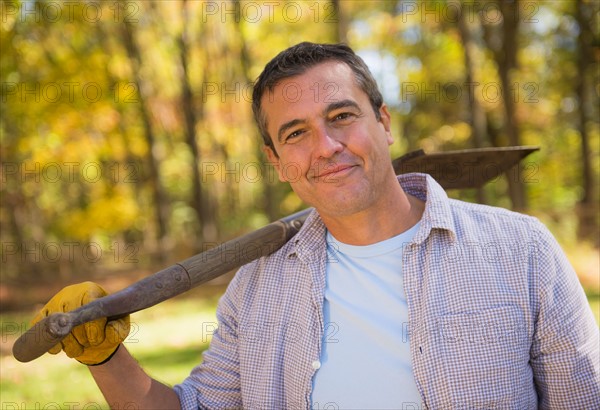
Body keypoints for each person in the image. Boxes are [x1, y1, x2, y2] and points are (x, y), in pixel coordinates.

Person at [32, 42, 599, 409]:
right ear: (278, 162)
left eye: (342, 117)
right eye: (296, 133)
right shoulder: (256, 288)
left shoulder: (519, 251)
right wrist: (106, 358)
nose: (326, 148)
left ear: (383, 122)